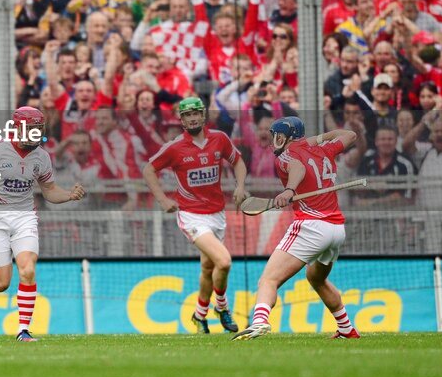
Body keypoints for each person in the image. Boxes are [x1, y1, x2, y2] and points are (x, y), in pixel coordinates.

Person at [0, 106, 86, 342]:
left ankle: (23, 330)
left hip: (25, 217)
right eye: (31, 130)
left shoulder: (42, 157)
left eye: (39, 130)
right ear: (17, 128)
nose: (35, 135)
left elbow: (50, 191)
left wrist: (68, 195)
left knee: (27, 269)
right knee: (1, 284)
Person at [233, 117, 361, 340]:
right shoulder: (324, 150)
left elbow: (297, 166)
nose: (275, 142)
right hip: (336, 230)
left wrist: (290, 189)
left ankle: (259, 322)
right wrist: (316, 139)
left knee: (268, 280)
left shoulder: (285, 157)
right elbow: (350, 135)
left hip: (311, 226)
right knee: (316, 278)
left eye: (278, 137)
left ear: (286, 137)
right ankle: (346, 329)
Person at [142, 97, 247, 335]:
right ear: (181, 120)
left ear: (203, 116)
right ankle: (222, 307)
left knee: (209, 268)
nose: (192, 119)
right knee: (224, 261)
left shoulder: (219, 138)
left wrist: (240, 185)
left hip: (217, 213)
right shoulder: (175, 147)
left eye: (196, 114)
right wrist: (162, 199)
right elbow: (148, 169)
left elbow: (238, 162)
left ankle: (199, 315)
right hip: (191, 216)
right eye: (187, 115)